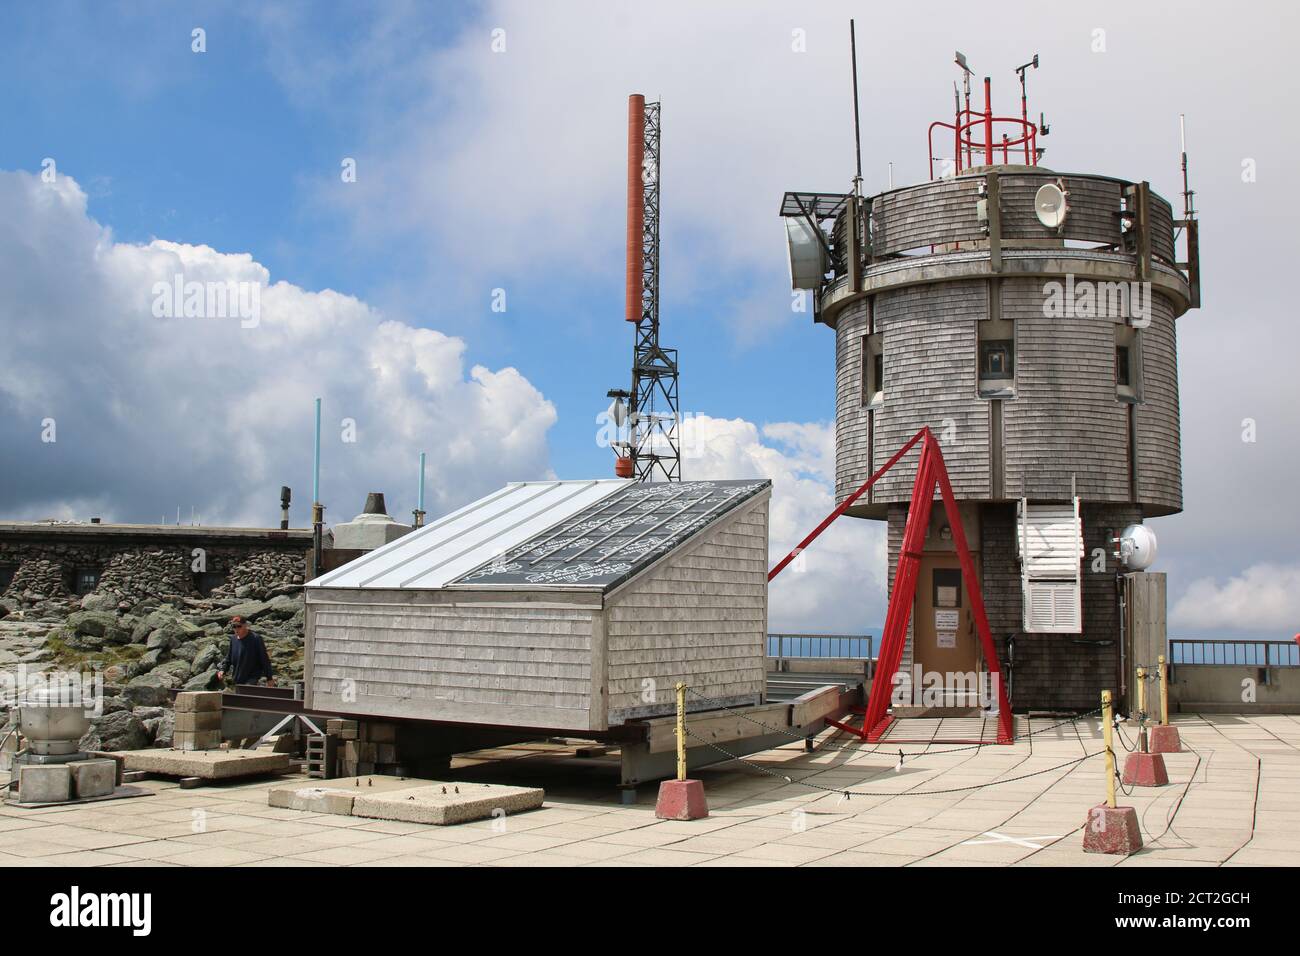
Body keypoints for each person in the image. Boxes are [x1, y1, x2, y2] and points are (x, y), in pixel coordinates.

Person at [216, 615, 275, 687]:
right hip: (237, 678)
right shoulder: (233, 639)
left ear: (245, 625)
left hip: (252, 678)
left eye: (239, 626)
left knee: (246, 695)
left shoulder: (256, 639)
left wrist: (269, 678)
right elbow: (229, 658)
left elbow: (264, 659)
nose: (236, 629)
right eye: (234, 626)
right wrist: (222, 670)